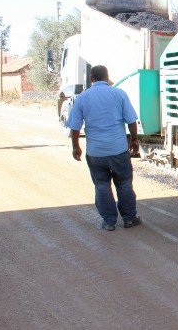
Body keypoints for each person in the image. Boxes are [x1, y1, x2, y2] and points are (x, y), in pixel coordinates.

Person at [66, 65, 142, 231]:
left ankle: (109, 222)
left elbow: (75, 127)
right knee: (124, 185)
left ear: (91, 79)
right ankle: (129, 219)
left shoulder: (83, 98)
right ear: (108, 77)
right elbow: (131, 121)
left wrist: (75, 147)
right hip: (118, 151)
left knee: (101, 186)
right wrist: (134, 141)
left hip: (95, 153)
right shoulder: (119, 94)